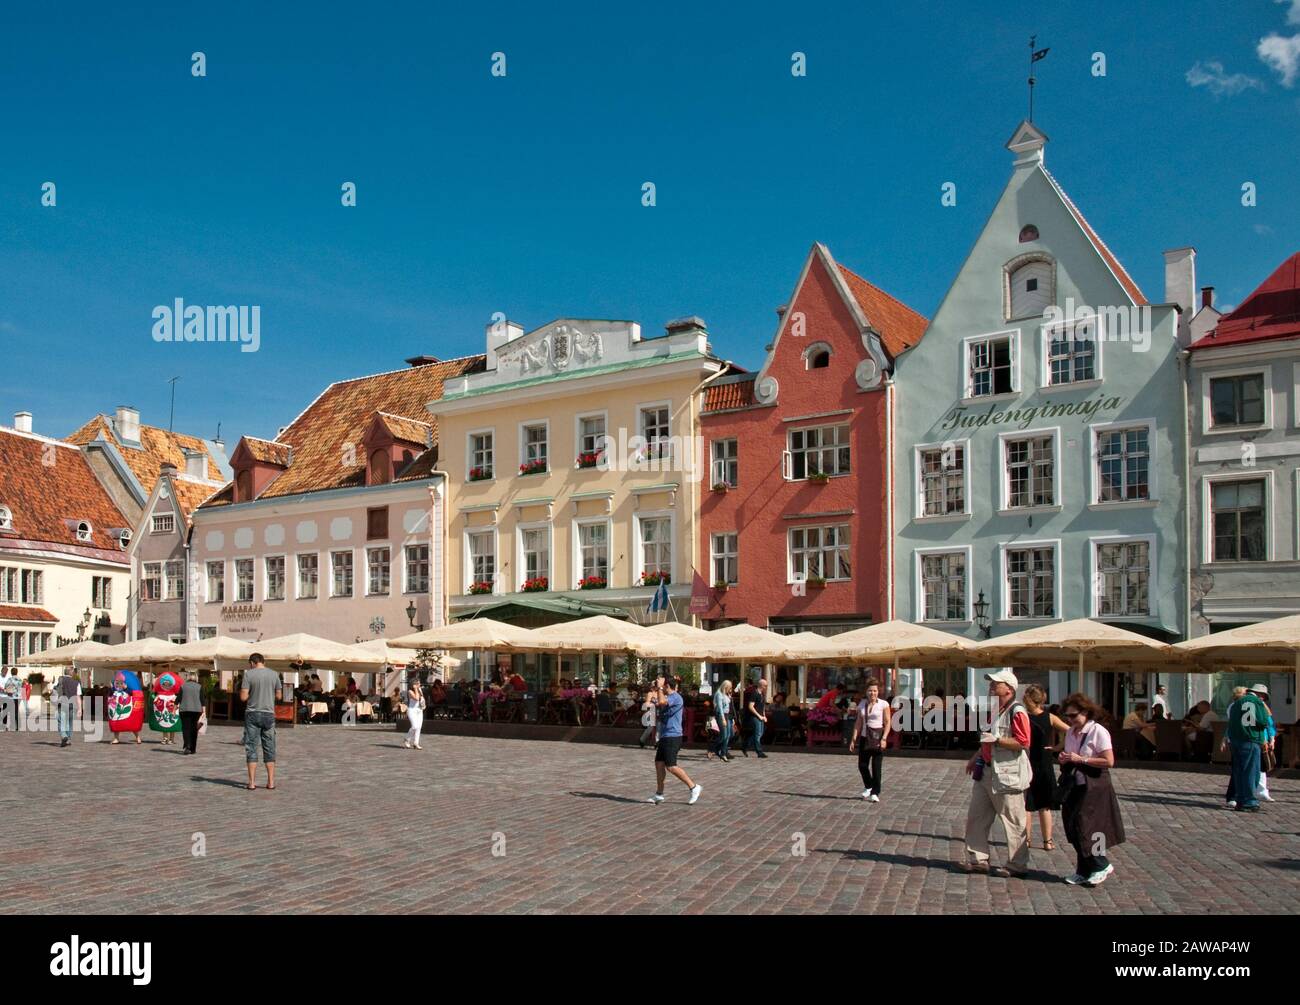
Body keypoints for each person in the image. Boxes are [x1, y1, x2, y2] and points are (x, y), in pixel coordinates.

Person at [962, 670, 1031, 878]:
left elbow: (1023, 742)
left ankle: (1017, 865)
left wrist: (998, 741)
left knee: (1013, 820)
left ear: (1008, 688)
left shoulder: (1017, 711)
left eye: (996, 683)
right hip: (986, 771)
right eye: (992, 683)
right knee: (977, 817)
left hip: (1007, 774)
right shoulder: (995, 709)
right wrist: (976, 757)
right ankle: (978, 859)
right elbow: (987, 738)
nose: (991, 686)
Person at [1058, 693, 1125, 886]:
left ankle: (1100, 865)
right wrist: (1065, 757)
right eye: (1067, 717)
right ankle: (1084, 870)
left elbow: (1109, 761)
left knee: (1090, 826)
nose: (1070, 720)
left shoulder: (1098, 731)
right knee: (1073, 825)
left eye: (1073, 716)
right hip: (1075, 783)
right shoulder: (1071, 732)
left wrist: (1083, 759)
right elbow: (1072, 755)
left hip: (1095, 784)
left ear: (1086, 712)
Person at [1022, 685, 1068, 851]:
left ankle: (1026, 840)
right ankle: (1047, 841)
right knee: (1044, 806)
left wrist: (1057, 747)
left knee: (1027, 804)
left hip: (1027, 761)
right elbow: (1070, 731)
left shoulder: (1024, 716)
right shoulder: (1049, 717)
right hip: (1044, 762)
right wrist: (1057, 747)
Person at [647, 676, 702, 805]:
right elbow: (655, 702)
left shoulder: (676, 697)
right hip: (665, 735)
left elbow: (662, 703)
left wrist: (659, 688)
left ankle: (693, 787)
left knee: (671, 766)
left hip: (673, 736)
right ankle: (659, 794)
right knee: (659, 764)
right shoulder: (666, 696)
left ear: (667, 686)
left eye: (663, 685)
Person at [240, 653, 281, 791]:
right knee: (269, 747)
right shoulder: (274, 674)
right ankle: (271, 782)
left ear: (252, 662)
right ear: (263, 662)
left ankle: (251, 783)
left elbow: (243, 697)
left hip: (252, 713)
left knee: (251, 746)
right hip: (269, 713)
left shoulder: (248, 675)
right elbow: (279, 695)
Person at [1224, 685, 1268, 812]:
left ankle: (1240, 799)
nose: (1264, 698)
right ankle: (1249, 801)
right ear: (1260, 694)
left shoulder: (1237, 703)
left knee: (1238, 771)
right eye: (1264, 696)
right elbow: (1262, 721)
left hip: (1236, 740)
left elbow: (1231, 722)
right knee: (1251, 771)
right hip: (1251, 739)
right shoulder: (1257, 702)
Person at [849, 679, 891, 802]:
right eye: (870, 691)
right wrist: (853, 739)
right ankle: (868, 786)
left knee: (876, 767)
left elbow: (888, 722)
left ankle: (875, 792)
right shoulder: (862, 704)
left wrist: (884, 738)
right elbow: (858, 723)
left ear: (878, 692)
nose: (872, 693)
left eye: (875, 691)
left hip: (877, 738)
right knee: (862, 765)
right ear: (866, 692)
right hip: (864, 738)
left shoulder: (884, 704)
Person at [1252, 684, 1276, 803]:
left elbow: (1269, 724)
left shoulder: (1263, 707)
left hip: (1263, 741)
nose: (1262, 698)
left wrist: (1272, 739)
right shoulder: (1249, 705)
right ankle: (1255, 791)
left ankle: (1261, 791)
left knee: (1262, 766)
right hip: (1254, 739)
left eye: (1263, 696)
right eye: (1260, 695)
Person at [52, 668, 82, 747]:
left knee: (61, 721)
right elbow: (78, 697)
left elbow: (54, 691)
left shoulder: (60, 680)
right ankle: (68, 738)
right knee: (69, 722)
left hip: (62, 703)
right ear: (71, 673)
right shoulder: (76, 683)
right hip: (72, 704)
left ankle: (64, 735)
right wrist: (80, 709)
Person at [743, 678, 769, 758]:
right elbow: (751, 706)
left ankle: (745, 746)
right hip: (755, 717)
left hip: (761, 717)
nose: (766, 687)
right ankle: (759, 752)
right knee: (757, 734)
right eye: (765, 686)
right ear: (762, 686)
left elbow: (762, 707)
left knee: (759, 733)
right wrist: (759, 716)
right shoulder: (754, 693)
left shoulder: (761, 694)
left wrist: (764, 716)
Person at [710, 680, 734, 762]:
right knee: (724, 735)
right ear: (725, 687)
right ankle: (713, 748)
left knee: (727, 735)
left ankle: (722, 753)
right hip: (721, 715)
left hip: (727, 715)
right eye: (729, 688)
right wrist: (723, 719)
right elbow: (720, 707)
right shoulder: (719, 694)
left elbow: (729, 706)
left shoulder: (726, 694)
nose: (730, 690)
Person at [179, 672, 203, 754]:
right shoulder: (199, 686)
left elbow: (178, 698)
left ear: (188, 677)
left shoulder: (183, 686)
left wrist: (174, 708)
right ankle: (193, 748)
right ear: (196, 677)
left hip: (184, 709)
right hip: (196, 710)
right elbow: (202, 700)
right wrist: (204, 712)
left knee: (186, 728)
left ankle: (187, 746)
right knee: (193, 729)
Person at [403, 677, 425, 750]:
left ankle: (416, 743)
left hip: (419, 710)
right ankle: (407, 739)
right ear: (413, 684)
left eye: (419, 683)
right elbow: (416, 698)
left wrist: (423, 704)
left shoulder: (420, 690)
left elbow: (421, 698)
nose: (419, 685)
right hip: (412, 710)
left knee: (419, 727)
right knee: (414, 726)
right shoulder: (410, 691)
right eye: (418, 683)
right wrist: (416, 689)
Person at [638, 681, 660, 749]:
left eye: (656, 686)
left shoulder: (661, 693)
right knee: (650, 728)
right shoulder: (650, 693)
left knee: (659, 728)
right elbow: (647, 704)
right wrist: (654, 704)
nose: (654, 688)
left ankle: (657, 742)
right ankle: (642, 740)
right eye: (654, 686)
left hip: (659, 712)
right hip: (651, 712)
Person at [1, 667, 22, 731]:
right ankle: (17, 726)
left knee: (12, 712)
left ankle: (11, 726)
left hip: (12, 697)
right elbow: (22, 688)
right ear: (17, 672)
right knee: (17, 711)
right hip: (18, 698)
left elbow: (6, 687)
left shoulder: (10, 679)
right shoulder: (20, 679)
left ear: (11, 672)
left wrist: (7, 691)